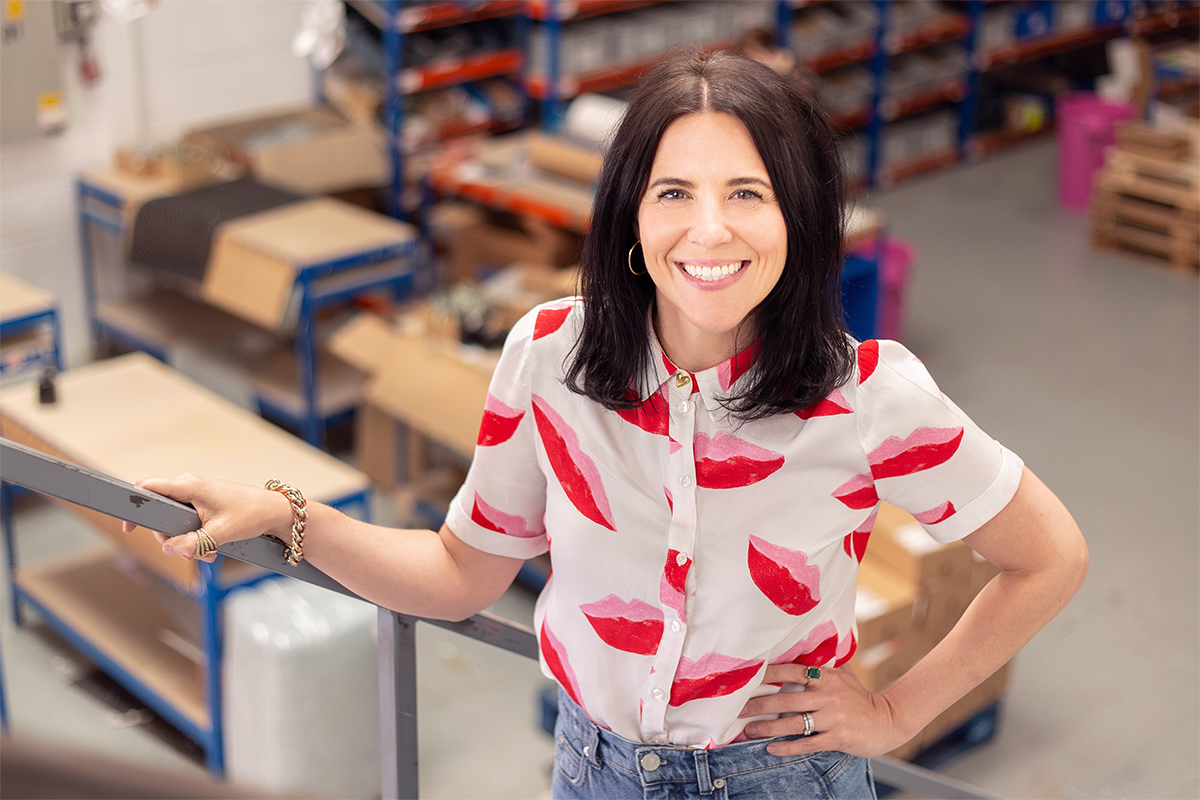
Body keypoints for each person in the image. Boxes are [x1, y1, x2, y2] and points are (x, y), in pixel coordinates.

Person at [127, 49, 1088, 799]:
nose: (707, 232)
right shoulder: (552, 357)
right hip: (593, 772)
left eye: (747, 194)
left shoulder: (868, 396)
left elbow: (1049, 555)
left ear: (798, 216)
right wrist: (288, 513)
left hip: (780, 781)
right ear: (630, 215)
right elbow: (463, 572)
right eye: (674, 193)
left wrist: (893, 709)